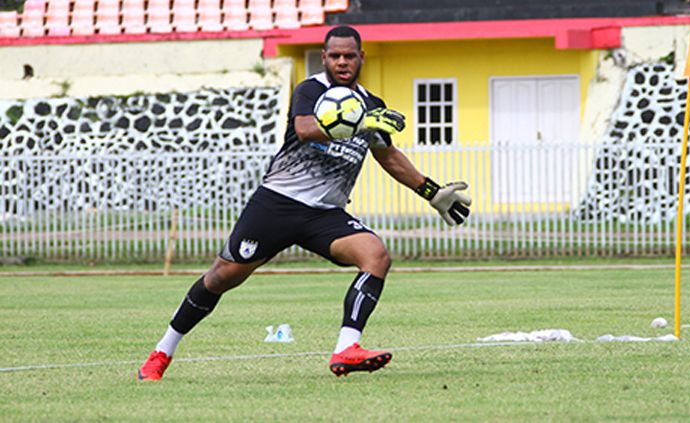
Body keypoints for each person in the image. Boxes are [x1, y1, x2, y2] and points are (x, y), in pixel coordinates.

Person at [137, 25, 471, 381]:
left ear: (361, 58)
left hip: (325, 214)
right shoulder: (311, 89)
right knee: (221, 277)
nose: (343, 61)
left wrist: (432, 192)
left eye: (350, 55)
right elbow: (305, 129)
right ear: (325, 57)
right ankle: (161, 353)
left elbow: (387, 155)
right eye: (336, 55)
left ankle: (347, 348)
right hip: (278, 203)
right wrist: (361, 123)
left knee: (375, 255)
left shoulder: (373, 105)